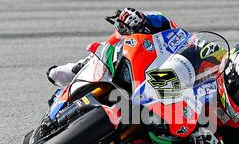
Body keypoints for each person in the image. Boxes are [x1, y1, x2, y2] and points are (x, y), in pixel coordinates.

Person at [47, 8, 239, 144]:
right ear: (229, 75)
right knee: (131, 38)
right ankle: (80, 67)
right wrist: (143, 19)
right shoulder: (212, 55)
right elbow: (173, 30)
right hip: (164, 91)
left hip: (189, 133)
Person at [47, 8, 178, 86]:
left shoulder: (168, 29)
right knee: (106, 48)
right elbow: (111, 41)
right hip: (127, 62)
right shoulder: (125, 30)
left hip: (154, 75)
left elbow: (163, 21)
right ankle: (83, 66)